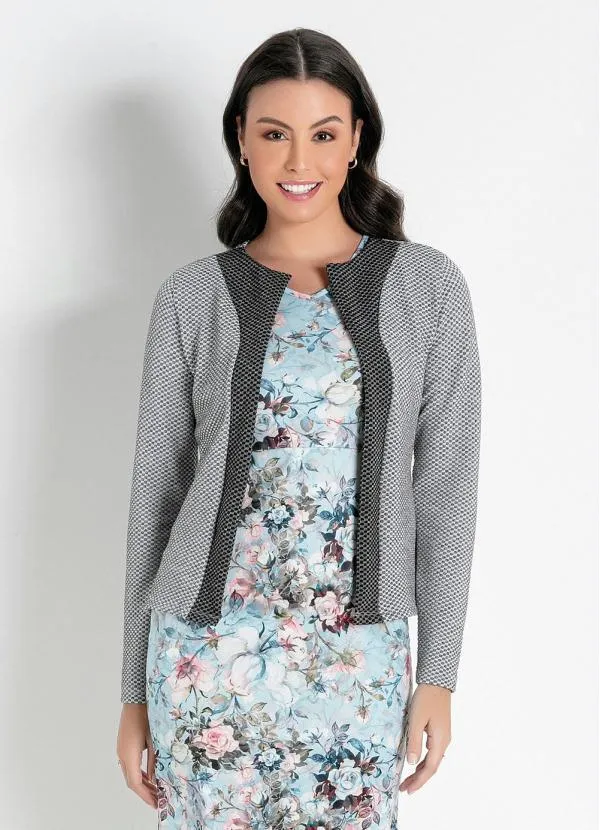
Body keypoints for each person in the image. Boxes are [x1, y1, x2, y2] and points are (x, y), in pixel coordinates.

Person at [116, 27, 481, 829]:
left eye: (322, 134)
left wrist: (439, 673)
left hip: (357, 664)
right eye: (274, 133)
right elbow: (156, 498)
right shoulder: (191, 298)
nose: (297, 160)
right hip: (204, 662)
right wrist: (133, 692)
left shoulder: (427, 289)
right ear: (242, 141)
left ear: (356, 141)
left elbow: (447, 489)